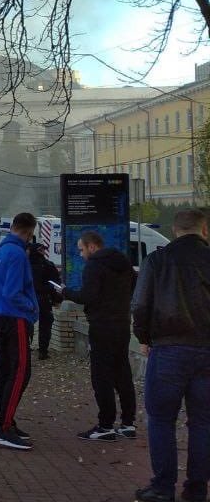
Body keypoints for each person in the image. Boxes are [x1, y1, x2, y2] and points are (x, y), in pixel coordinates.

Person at [131, 208, 210, 502]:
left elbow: (140, 305)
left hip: (168, 349)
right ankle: (197, 489)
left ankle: (163, 488)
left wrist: (144, 337)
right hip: (207, 352)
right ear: (204, 231)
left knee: (161, 419)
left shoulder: (158, 260)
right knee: (203, 422)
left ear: (175, 230)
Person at [62, 230, 137, 443]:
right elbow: (133, 287)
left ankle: (105, 425)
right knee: (122, 373)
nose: (81, 254)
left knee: (101, 376)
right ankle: (128, 423)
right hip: (122, 324)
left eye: (81, 249)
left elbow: (88, 296)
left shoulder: (94, 265)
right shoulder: (124, 264)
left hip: (101, 326)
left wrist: (66, 292)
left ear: (92, 246)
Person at [0, 211, 38, 450]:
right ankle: (4, 428)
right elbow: (13, 291)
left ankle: (6, 421)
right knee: (20, 371)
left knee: (5, 370)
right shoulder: (17, 254)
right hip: (15, 318)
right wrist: (31, 308)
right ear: (28, 231)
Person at [28, 243, 62, 360]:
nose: (44, 251)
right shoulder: (47, 265)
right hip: (43, 298)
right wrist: (57, 299)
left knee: (27, 323)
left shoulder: (24, 265)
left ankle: (26, 347)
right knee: (45, 325)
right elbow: (55, 284)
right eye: (42, 249)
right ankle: (43, 351)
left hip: (28, 298)